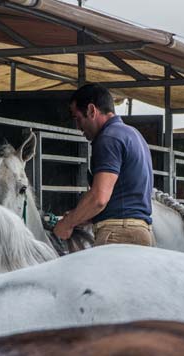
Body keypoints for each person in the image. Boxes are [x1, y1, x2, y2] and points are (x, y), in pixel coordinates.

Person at [53, 83, 154, 247]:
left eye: (78, 119)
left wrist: (67, 223)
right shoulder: (134, 135)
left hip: (118, 234)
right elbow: (122, 195)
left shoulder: (109, 138)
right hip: (142, 231)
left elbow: (99, 198)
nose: (78, 127)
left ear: (92, 111)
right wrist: (80, 215)